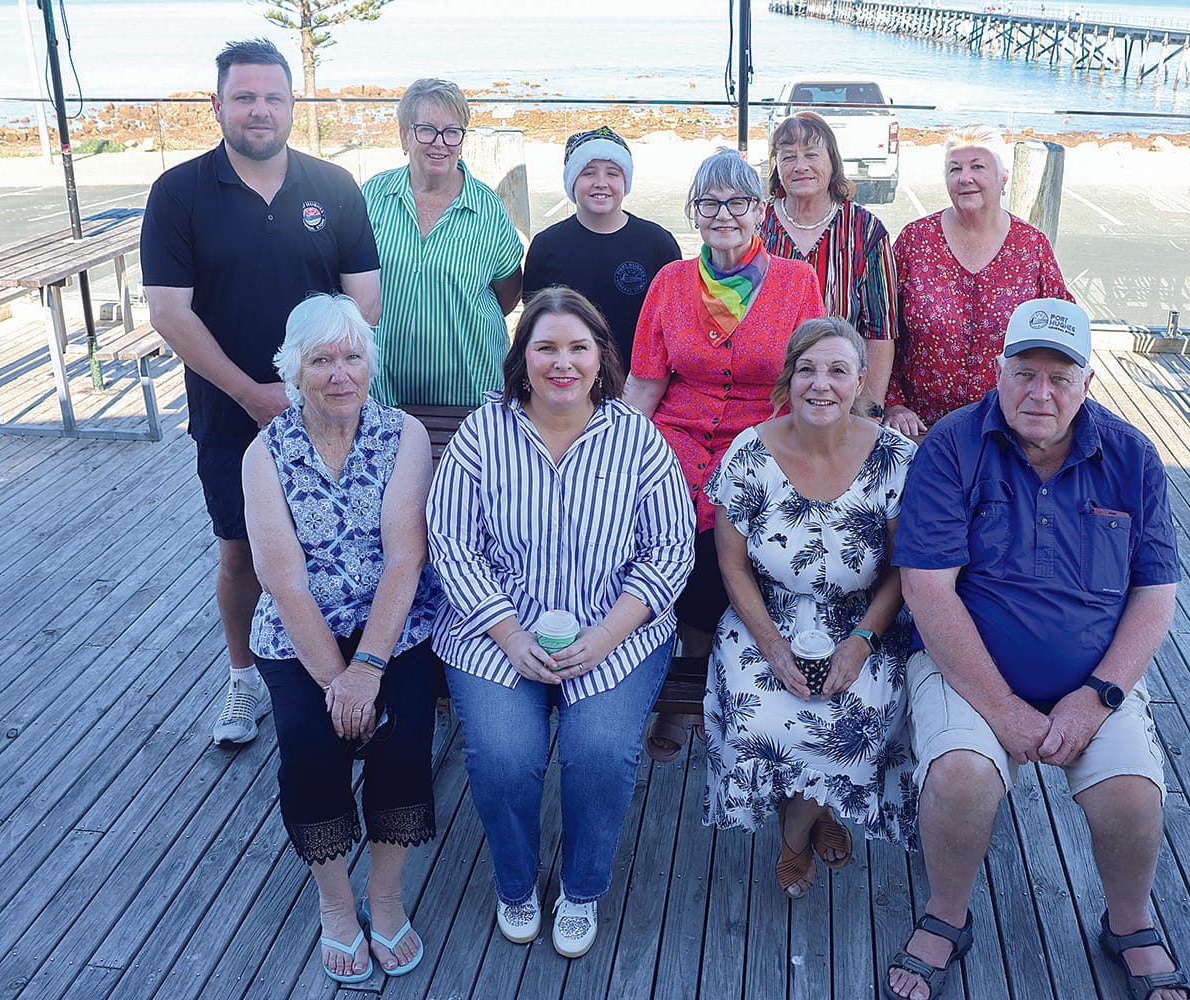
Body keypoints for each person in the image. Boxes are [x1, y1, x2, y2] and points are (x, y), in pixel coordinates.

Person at [887, 299, 1188, 1000]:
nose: (1039, 393)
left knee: (1134, 794)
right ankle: (946, 915)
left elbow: (1155, 595)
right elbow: (927, 591)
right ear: (999, 373)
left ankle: (1130, 922)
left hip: (1094, 680)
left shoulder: (1133, 456)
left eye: (1060, 377)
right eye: (1024, 373)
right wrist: (1003, 710)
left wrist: (1099, 696)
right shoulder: (951, 446)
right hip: (968, 672)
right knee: (961, 775)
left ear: (1088, 383)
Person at [427, 288, 694, 958]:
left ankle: (580, 889)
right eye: (546, 347)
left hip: (616, 634)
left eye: (578, 347)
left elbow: (670, 549)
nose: (562, 363)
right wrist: (509, 634)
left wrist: (603, 637)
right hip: (496, 635)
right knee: (504, 757)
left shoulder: (636, 438)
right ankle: (516, 885)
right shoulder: (482, 434)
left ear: (602, 357)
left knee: (599, 753)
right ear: (523, 357)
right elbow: (451, 543)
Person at [142, 38, 381, 748]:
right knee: (241, 553)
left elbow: (364, 302)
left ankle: (342, 671)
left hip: (331, 412)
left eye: (273, 97)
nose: (259, 110)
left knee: (345, 545)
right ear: (217, 104)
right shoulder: (178, 193)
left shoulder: (333, 187)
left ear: (291, 105)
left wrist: (315, 384)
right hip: (228, 413)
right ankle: (244, 676)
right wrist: (250, 392)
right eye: (244, 96)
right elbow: (169, 313)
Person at [242, 294, 439, 984]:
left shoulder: (403, 435)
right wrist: (339, 682)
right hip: (300, 634)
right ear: (294, 370)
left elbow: (405, 557)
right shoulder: (265, 453)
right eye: (321, 360)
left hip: (394, 626)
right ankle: (334, 902)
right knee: (309, 742)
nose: (339, 374)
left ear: (370, 364)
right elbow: (283, 580)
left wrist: (369, 669)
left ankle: (384, 896)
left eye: (352, 356)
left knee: (404, 734)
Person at [703, 318, 918, 900]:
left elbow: (902, 568)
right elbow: (732, 566)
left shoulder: (896, 459)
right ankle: (813, 814)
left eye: (837, 371)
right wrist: (772, 646)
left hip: (863, 619)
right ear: (790, 379)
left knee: (861, 716)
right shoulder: (750, 453)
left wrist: (862, 642)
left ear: (860, 382)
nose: (821, 384)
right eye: (807, 370)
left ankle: (796, 830)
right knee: (763, 718)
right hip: (765, 616)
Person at [624, 148, 825, 760]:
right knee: (655, 529)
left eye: (738, 202)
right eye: (708, 203)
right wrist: (611, 454)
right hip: (677, 441)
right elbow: (644, 386)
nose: (723, 215)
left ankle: (713, 679)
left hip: (761, 443)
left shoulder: (797, 282)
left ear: (761, 211)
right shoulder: (670, 282)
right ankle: (676, 677)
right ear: (694, 213)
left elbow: (808, 381)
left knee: (737, 534)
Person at [883, 124, 1071, 442]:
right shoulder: (915, 240)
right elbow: (880, 329)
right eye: (955, 169)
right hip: (921, 429)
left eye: (978, 167)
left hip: (1006, 431)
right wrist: (893, 404)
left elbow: (1063, 335)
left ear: (1003, 176)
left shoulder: (1032, 246)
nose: (965, 178)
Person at [361, 78, 524, 407]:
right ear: (404, 136)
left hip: (470, 388)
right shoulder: (372, 196)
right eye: (426, 130)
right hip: (385, 388)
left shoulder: (487, 208)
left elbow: (509, 292)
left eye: (452, 132)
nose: (440, 143)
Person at [761, 111, 897, 413]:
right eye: (788, 157)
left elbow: (880, 331)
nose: (801, 166)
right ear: (776, 167)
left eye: (812, 154)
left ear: (833, 161)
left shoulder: (866, 230)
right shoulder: (758, 225)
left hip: (839, 395)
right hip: (766, 396)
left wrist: (869, 410)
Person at [523, 125, 681, 362]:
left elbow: (675, 321)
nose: (601, 182)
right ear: (571, 181)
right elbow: (535, 322)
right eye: (588, 173)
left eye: (612, 173)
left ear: (625, 181)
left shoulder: (658, 243)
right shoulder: (546, 245)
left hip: (639, 377)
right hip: (568, 374)